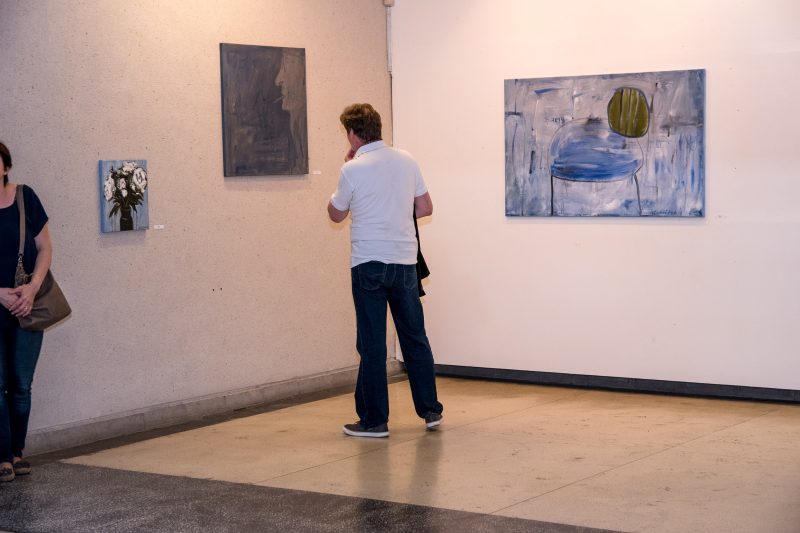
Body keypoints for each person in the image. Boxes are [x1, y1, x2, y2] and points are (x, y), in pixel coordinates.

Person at [328, 104, 443, 438]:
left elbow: (336, 214)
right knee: (414, 337)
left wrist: (349, 168)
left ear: (352, 133)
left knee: (373, 344)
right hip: (404, 262)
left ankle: (375, 421)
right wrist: (395, 211)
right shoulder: (406, 160)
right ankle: (430, 410)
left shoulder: (352, 169)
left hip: (368, 264)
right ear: (377, 128)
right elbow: (425, 207)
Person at [0, 142, 52, 481]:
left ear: (5, 167)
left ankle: (17, 452)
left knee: (21, 385)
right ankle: (2, 457)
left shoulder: (25, 197)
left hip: (26, 306)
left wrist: (32, 288)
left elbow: (44, 247)